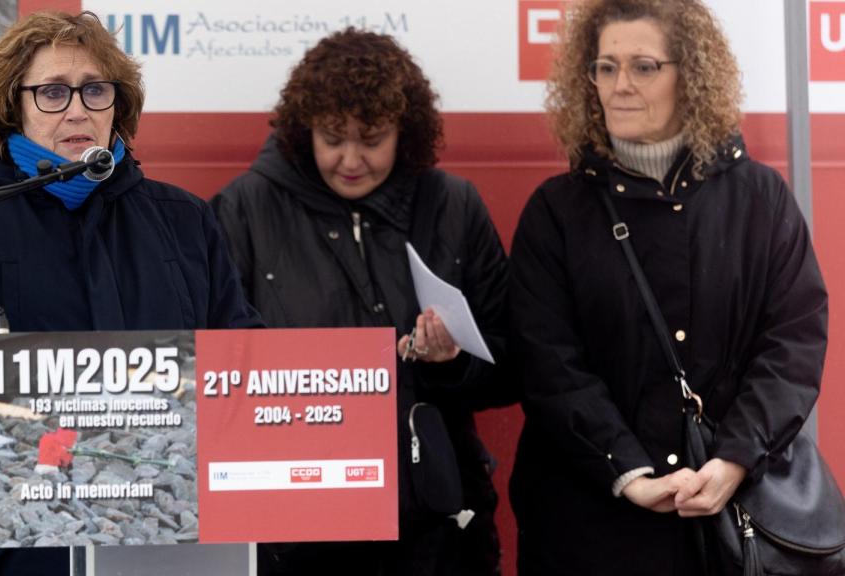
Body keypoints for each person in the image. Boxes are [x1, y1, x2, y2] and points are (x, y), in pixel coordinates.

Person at [0, 11, 261, 576]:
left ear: (118, 105)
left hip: (166, 536)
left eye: (95, 90)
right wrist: (21, 383)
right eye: (52, 91)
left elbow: (244, 357)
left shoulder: (185, 221)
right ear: (14, 107)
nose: (77, 109)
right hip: (16, 545)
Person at [507, 0, 828, 574]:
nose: (620, 86)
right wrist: (628, 472)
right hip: (592, 525)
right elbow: (548, 363)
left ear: (692, 75)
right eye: (606, 67)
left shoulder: (760, 197)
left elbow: (793, 344)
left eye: (643, 66)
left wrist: (735, 458)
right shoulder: (556, 212)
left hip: (733, 516)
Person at [211, 28, 514, 576]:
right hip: (295, 528)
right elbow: (209, 371)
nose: (351, 159)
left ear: (406, 131)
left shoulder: (452, 207)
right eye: (333, 138)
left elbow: (514, 363)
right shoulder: (244, 210)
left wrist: (451, 363)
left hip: (435, 526)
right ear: (305, 131)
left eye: (372, 139)